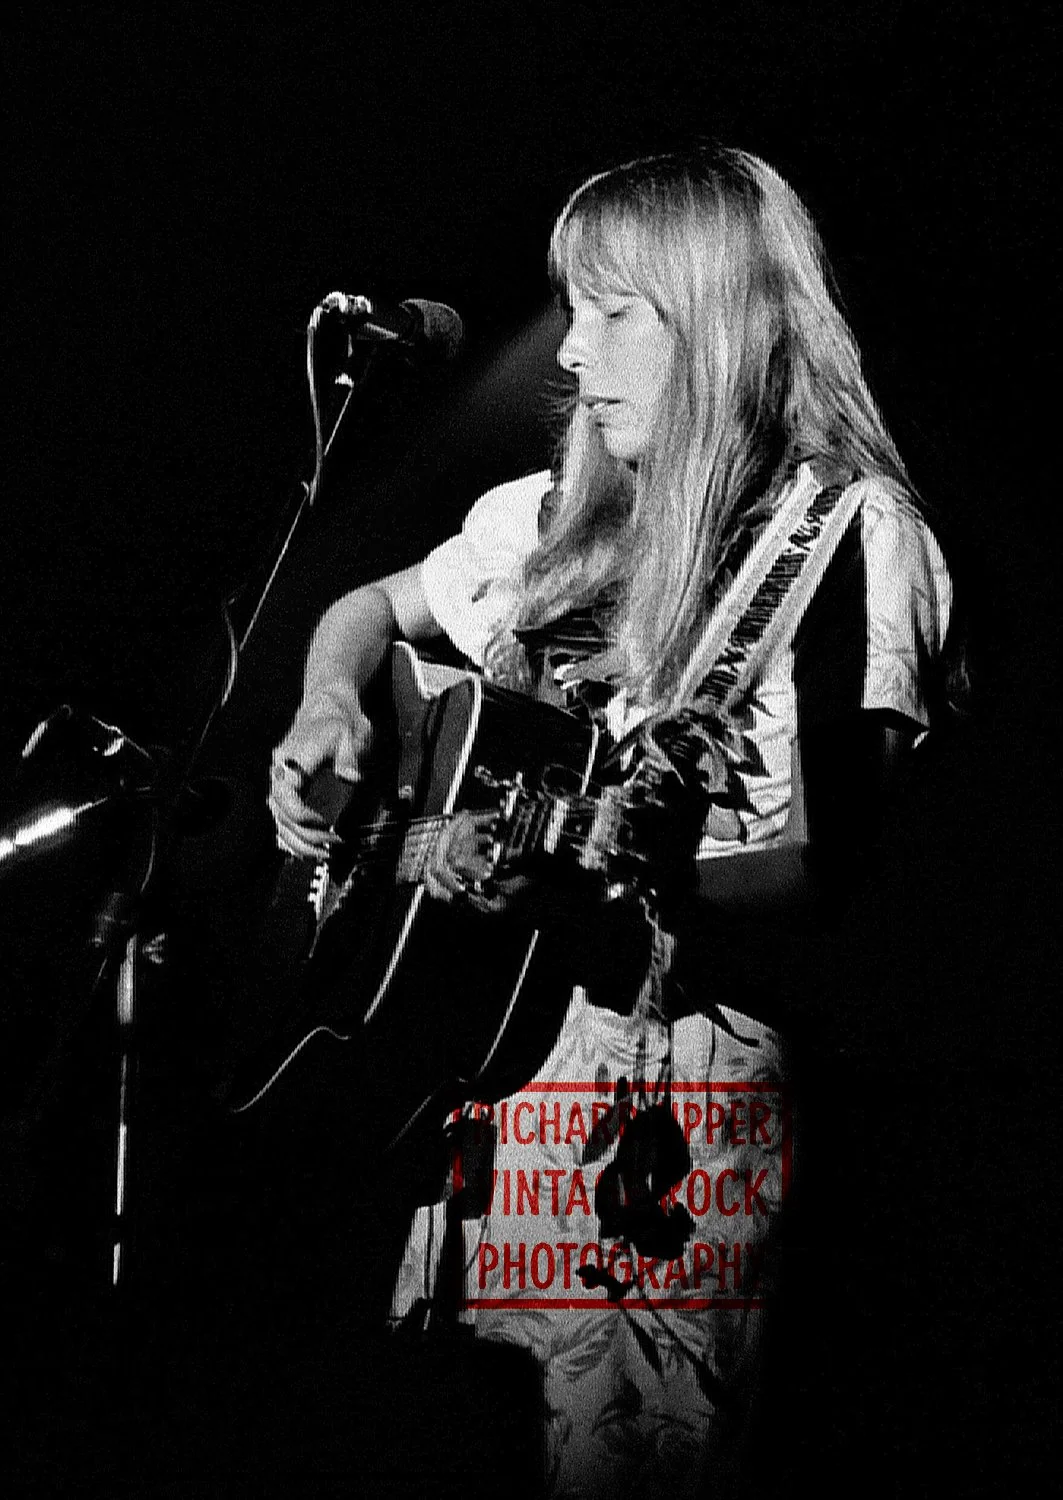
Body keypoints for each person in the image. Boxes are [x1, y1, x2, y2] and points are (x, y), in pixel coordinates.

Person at [267, 147, 953, 1497]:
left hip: (670, 1133)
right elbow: (367, 608)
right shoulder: (549, 520)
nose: (570, 353)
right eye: (567, 312)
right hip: (483, 1101)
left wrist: (587, 879)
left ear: (717, 318)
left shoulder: (847, 538)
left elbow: (839, 881)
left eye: (612, 311)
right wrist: (327, 703)